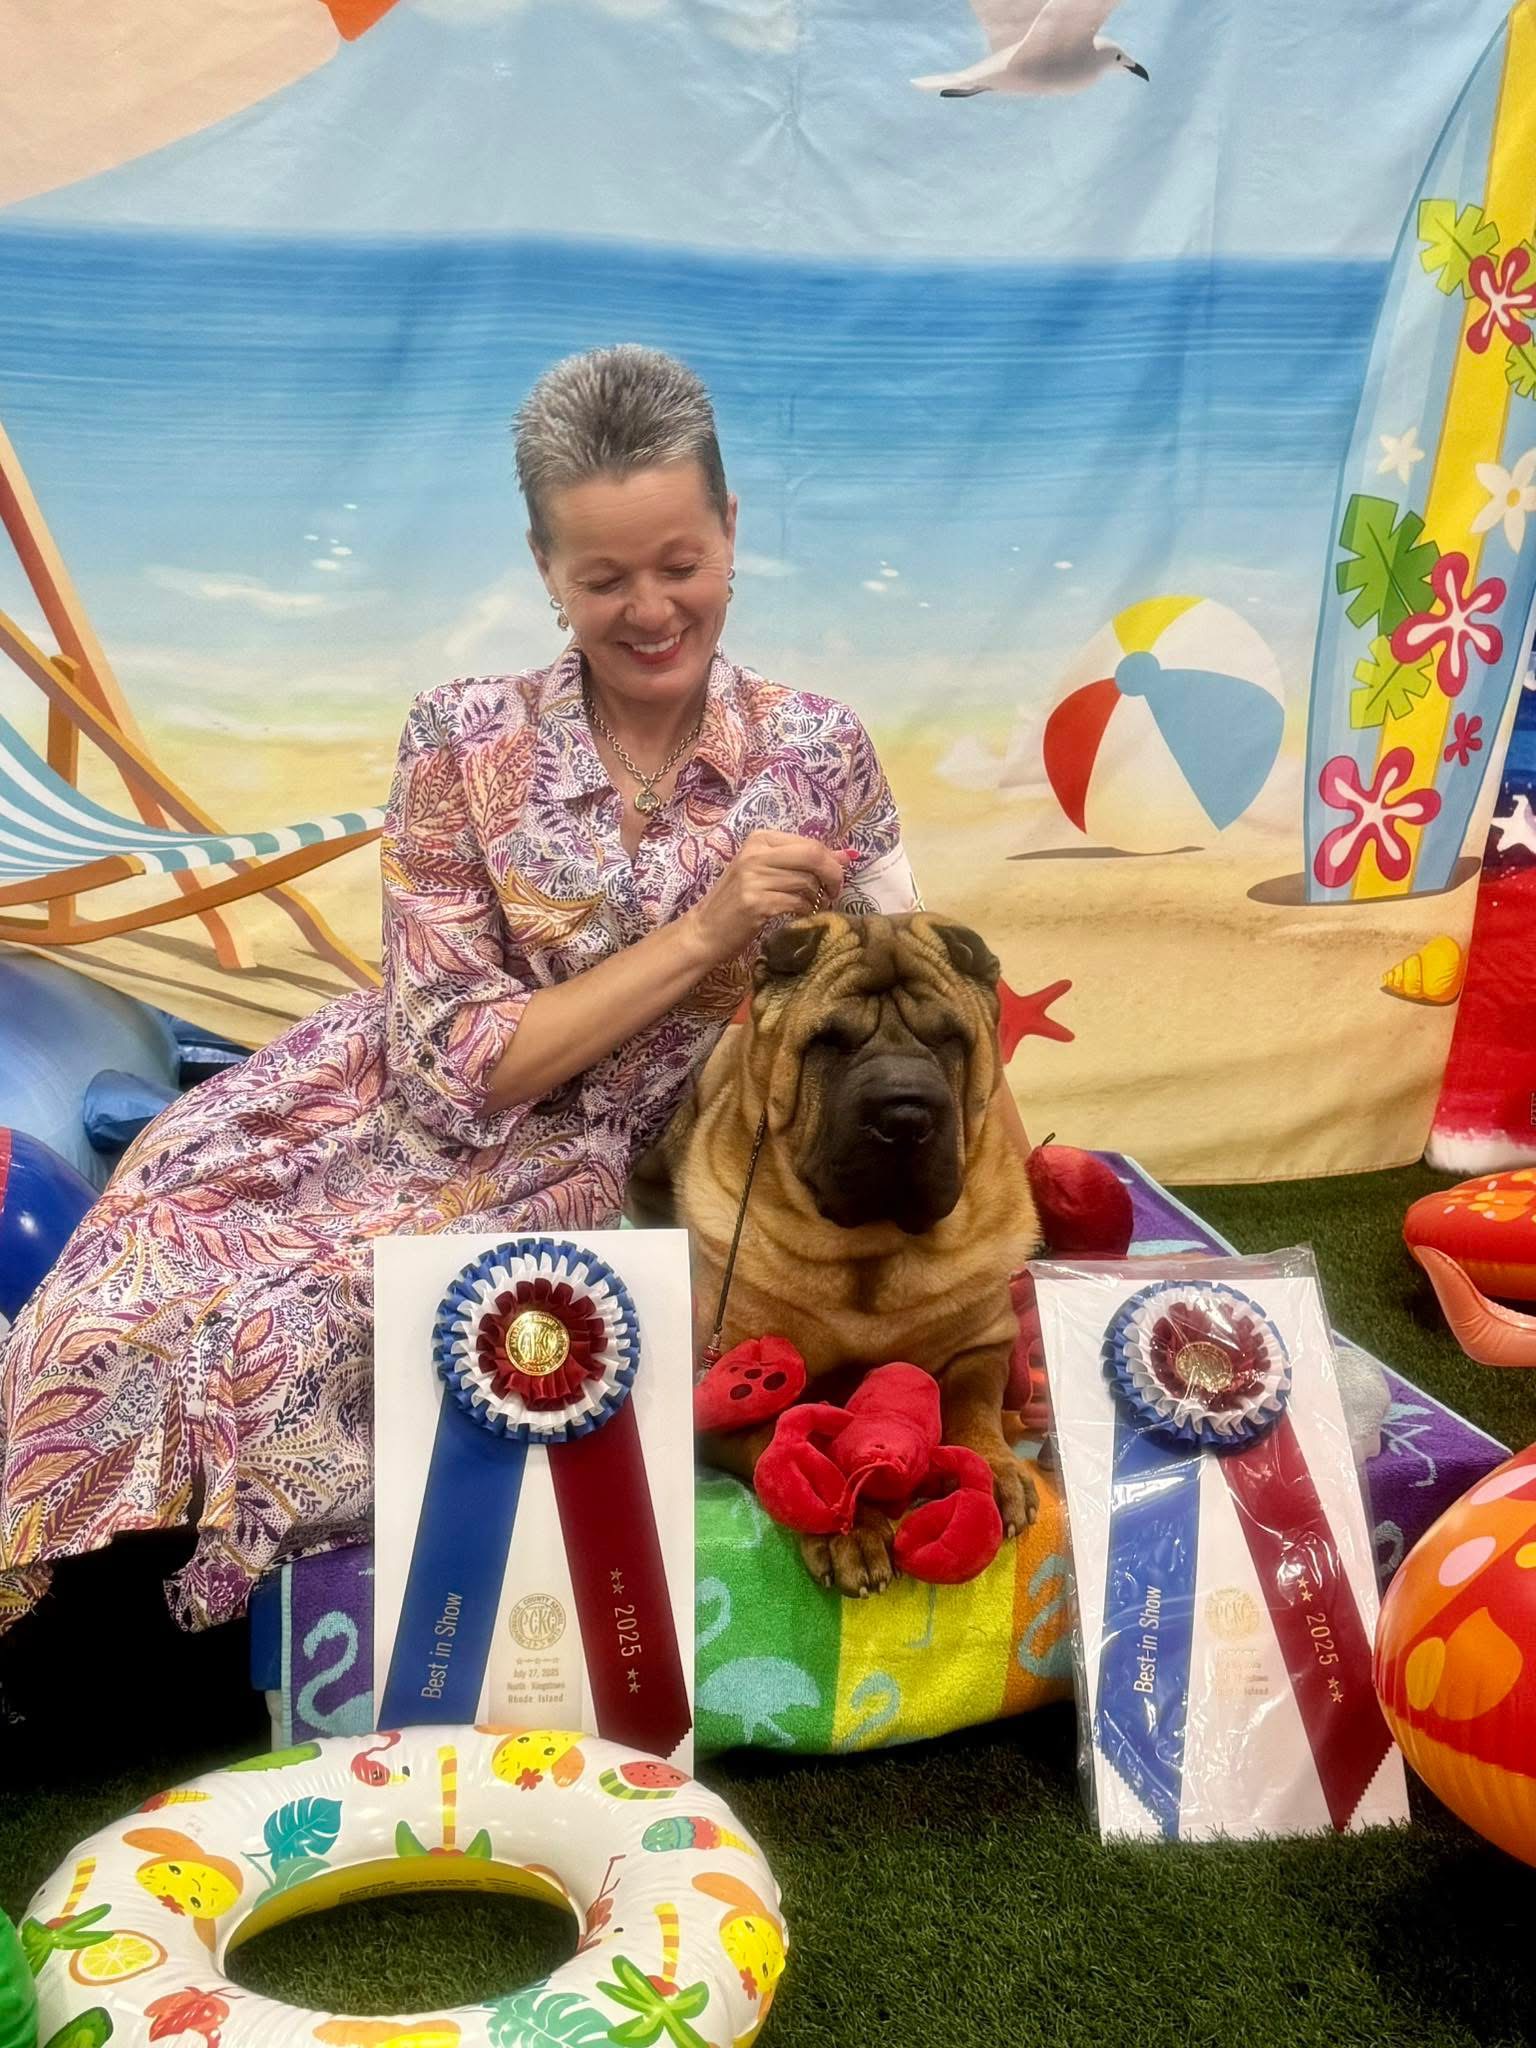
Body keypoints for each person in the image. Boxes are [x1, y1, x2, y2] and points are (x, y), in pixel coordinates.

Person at [0, 345, 921, 1684]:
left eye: (680, 563)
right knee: (122, 1295)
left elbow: (910, 991)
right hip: (355, 1112)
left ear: (731, 530)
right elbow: (457, 1071)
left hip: (575, 1178)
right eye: (602, 578)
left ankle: (118, 1655)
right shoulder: (457, 735)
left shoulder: (823, 752)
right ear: (546, 566)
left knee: (300, 1335)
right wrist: (705, 933)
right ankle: (52, 1625)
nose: (650, 609)